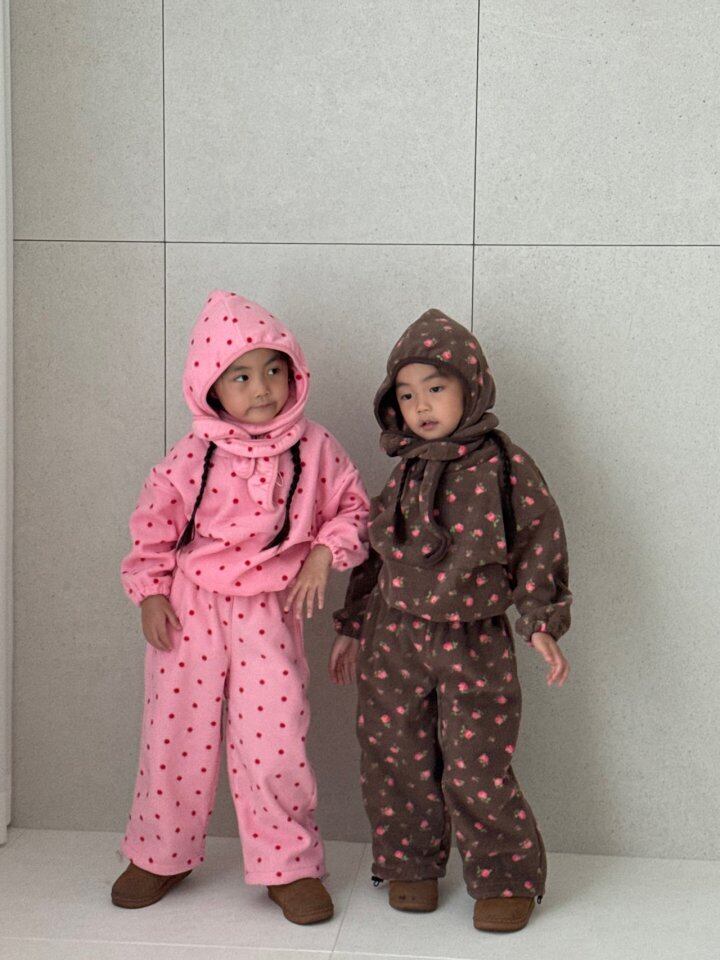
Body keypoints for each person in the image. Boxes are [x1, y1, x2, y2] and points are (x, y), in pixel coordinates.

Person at [112, 290, 370, 925]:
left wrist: (323, 554)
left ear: (294, 371)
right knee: (174, 732)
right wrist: (150, 594)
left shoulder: (315, 447)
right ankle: (160, 852)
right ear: (209, 386)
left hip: (268, 610)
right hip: (190, 606)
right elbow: (153, 528)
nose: (262, 388)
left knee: (276, 739)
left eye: (274, 369)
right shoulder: (191, 454)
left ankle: (289, 863)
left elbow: (353, 509)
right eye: (242, 376)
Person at [329, 308, 571, 933]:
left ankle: (507, 876)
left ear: (472, 385)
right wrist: (352, 624)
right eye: (407, 395)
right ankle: (408, 862)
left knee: (476, 761)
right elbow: (376, 548)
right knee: (393, 753)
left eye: (436, 388)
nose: (422, 406)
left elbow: (538, 539)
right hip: (394, 634)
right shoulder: (404, 469)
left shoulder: (504, 465)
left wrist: (541, 619)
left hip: (473, 635)